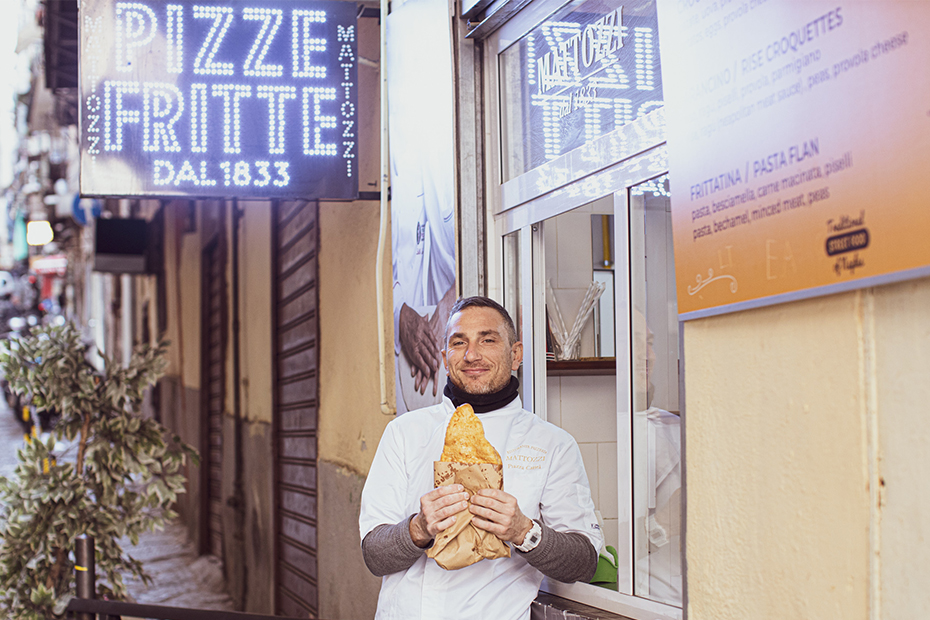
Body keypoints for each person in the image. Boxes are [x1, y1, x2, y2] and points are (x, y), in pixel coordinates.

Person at [359, 296, 603, 620]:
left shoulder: (552, 444)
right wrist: (419, 528)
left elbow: (583, 562)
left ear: (515, 354)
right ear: (445, 358)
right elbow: (375, 556)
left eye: (487, 340)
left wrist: (523, 531)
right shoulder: (403, 433)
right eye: (459, 343)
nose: (472, 355)